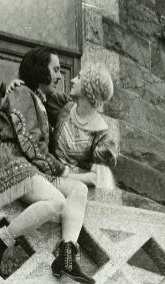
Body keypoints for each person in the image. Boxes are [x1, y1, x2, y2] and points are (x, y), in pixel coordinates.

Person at [0, 47, 95, 284]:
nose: (60, 76)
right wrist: (65, 171)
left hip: (34, 168)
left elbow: (71, 107)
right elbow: (31, 143)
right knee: (56, 201)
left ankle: (66, 255)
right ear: (39, 69)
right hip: (12, 163)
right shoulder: (22, 93)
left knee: (79, 190)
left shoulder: (41, 99)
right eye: (55, 69)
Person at [47, 63, 117, 192]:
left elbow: (98, 179)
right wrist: (19, 84)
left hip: (78, 192)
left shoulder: (102, 136)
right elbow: (34, 97)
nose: (72, 80)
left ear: (89, 87)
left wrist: (64, 175)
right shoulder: (63, 106)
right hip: (48, 183)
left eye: (79, 77)